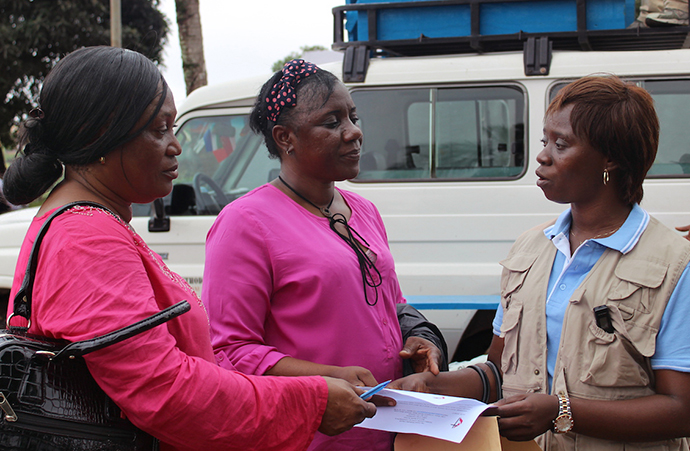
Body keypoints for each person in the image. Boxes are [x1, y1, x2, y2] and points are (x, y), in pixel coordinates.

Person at [3, 46, 380, 451]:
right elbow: (164, 391)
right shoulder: (85, 236)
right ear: (102, 135)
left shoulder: (90, 223)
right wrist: (309, 401)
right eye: (159, 129)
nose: (175, 145)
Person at [389, 76, 690, 450]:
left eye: (561, 145)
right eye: (545, 140)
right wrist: (435, 386)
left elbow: (681, 409)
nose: (543, 155)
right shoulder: (530, 249)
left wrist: (560, 411)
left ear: (611, 158)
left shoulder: (675, 263)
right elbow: (499, 372)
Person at [202, 59, 447, 451]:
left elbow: (391, 305)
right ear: (286, 138)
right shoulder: (244, 223)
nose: (354, 132)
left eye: (353, 116)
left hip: (386, 431)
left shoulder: (363, 211)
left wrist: (419, 337)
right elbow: (230, 350)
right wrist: (326, 379)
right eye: (332, 122)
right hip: (308, 436)